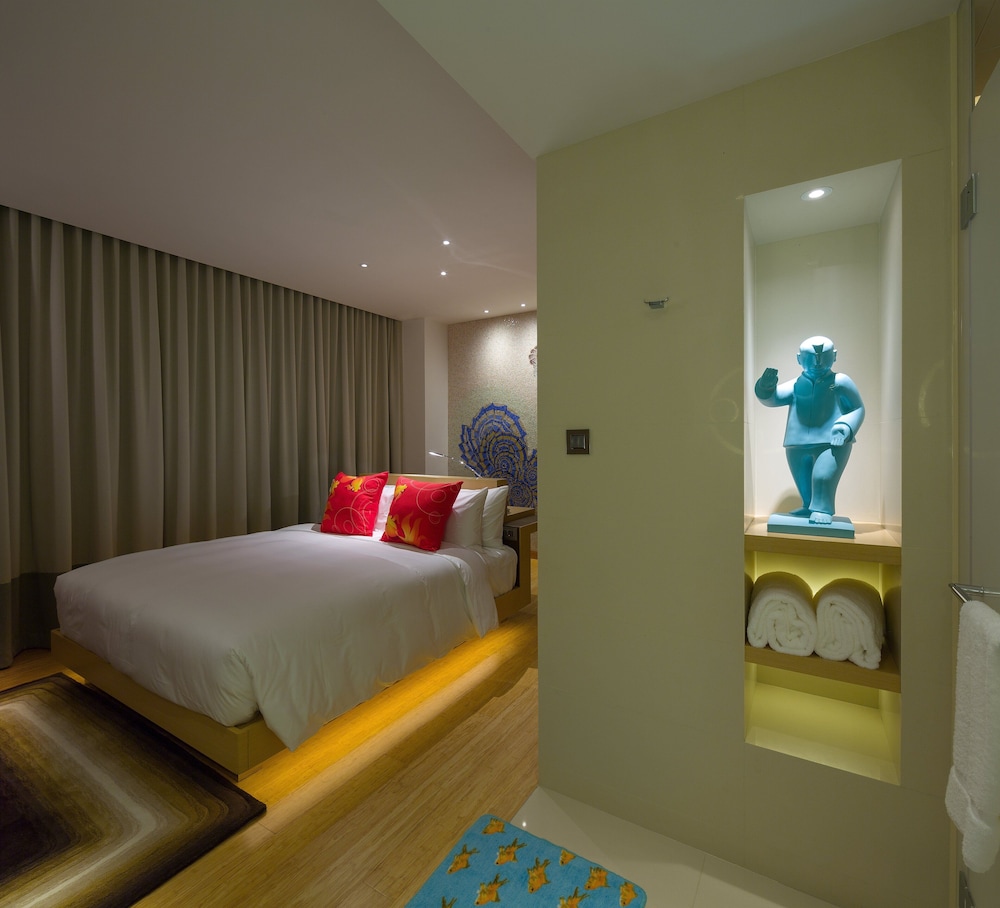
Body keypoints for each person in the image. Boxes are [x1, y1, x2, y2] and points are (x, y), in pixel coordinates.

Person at [755, 335, 864, 525]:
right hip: (796, 443)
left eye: (823, 357)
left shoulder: (840, 381)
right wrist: (766, 387)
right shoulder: (796, 385)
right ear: (799, 359)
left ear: (834, 356)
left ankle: (822, 509)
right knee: (803, 481)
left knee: (822, 477)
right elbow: (774, 398)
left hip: (831, 442)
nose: (817, 363)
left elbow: (857, 408)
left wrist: (845, 426)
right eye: (811, 357)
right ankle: (808, 505)